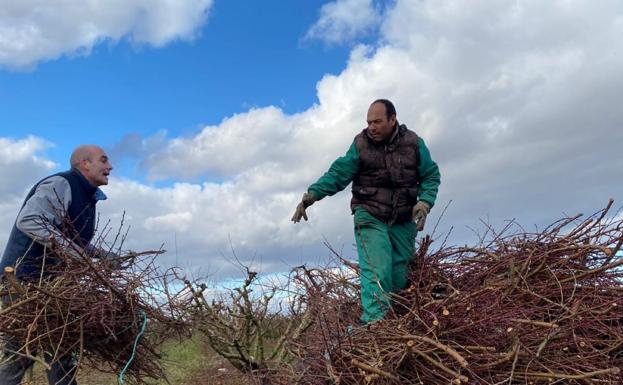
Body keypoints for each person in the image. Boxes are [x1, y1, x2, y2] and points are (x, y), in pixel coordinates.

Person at [291, 99, 441, 324]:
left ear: (393, 120)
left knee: (399, 275)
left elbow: (431, 175)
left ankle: (396, 322)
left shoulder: (413, 144)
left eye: (377, 122)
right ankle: (374, 327)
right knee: (377, 272)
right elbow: (338, 173)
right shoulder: (361, 144)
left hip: (402, 219)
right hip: (369, 215)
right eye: (369, 122)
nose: (372, 127)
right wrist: (312, 195)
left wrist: (425, 202)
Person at [0, 145, 114, 385]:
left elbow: (70, 241)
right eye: (103, 161)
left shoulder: (87, 196)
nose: (110, 166)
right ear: (84, 164)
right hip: (24, 282)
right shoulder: (61, 184)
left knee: (61, 351)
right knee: (21, 352)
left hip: (53, 286)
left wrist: (101, 255)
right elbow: (29, 221)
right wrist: (77, 254)